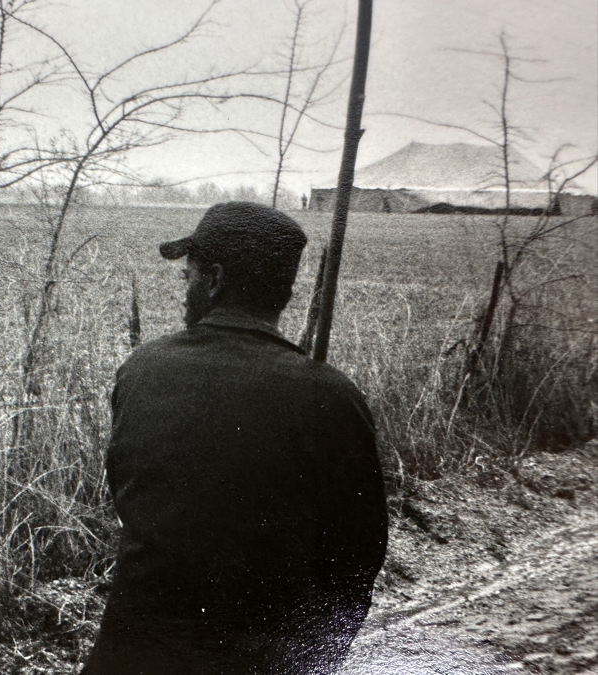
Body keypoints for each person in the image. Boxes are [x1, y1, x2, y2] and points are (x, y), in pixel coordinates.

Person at [82, 202, 388, 675]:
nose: (185, 293)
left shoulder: (142, 369)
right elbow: (356, 559)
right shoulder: (332, 396)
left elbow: (128, 496)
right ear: (283, 291)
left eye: (187, 279)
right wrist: (315, 657)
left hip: (133, 651)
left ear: (215, 280)